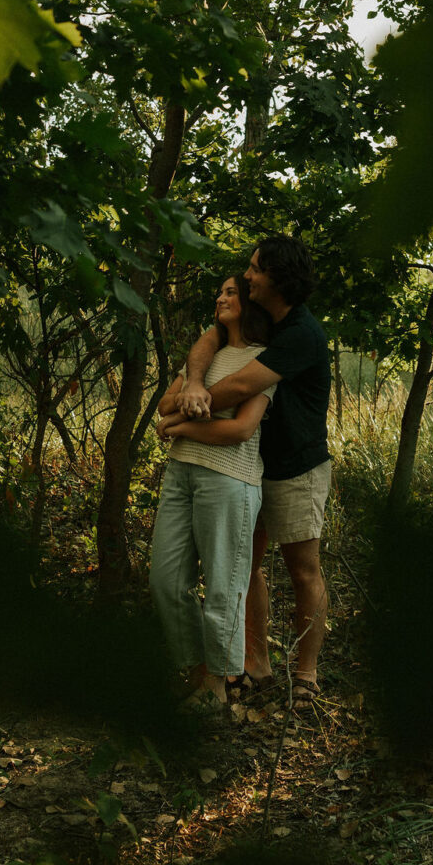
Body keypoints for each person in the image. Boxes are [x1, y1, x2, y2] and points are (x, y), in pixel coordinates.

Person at [175, 236, 331, 705]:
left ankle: (306, 674)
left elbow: (242, 385)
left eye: (255, 269)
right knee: (247, 567)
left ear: (280, 279)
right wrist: (196, 381)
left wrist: (183, 411)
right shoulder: (260, 318)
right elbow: (209, 338)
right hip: (248, 465)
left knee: (303, 570)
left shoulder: (301, 333)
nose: (246, 276)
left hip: (295, 467)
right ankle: (255, 664)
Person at [149, 275, 277, 711]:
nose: (219, 298)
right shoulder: (204, 357)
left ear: (250, 302)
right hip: (180, 473)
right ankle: (193, 669)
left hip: (230, 478)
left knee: (224, 584)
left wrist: (184, 424)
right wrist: (189, 394)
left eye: (230, 292)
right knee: (166, 580)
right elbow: (164, 403)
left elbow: (241, 429)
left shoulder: (262, 360)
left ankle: (217, 685)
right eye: (219, 292)